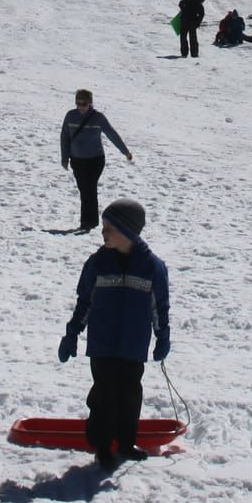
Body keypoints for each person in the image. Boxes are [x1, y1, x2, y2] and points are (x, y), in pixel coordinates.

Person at [57, 200, 170, 469]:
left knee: (130, 394)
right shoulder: (97, 264)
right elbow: (85, 301)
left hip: (133, 344)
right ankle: (103, 446)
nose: (103, 233)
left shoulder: (152, 267)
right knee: (104, 395)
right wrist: (72, 333)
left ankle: (126, 442)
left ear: (128, 231)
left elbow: (159, 306)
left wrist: (162, 335)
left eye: (109, 228)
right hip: (103, 344)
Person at [62, 90, 133, 232]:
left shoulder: (98, 118)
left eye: (84, 103)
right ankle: (89, 221)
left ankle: (88, 222)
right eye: (78, 103)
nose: (81, 106)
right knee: (84, 190)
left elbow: (112, 134)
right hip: (77, 160)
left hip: (95, 160)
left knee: (89, 188)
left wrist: (125, 151)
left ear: (90, 103)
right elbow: (64, 137)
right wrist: (64, 157)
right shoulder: (70, 116)